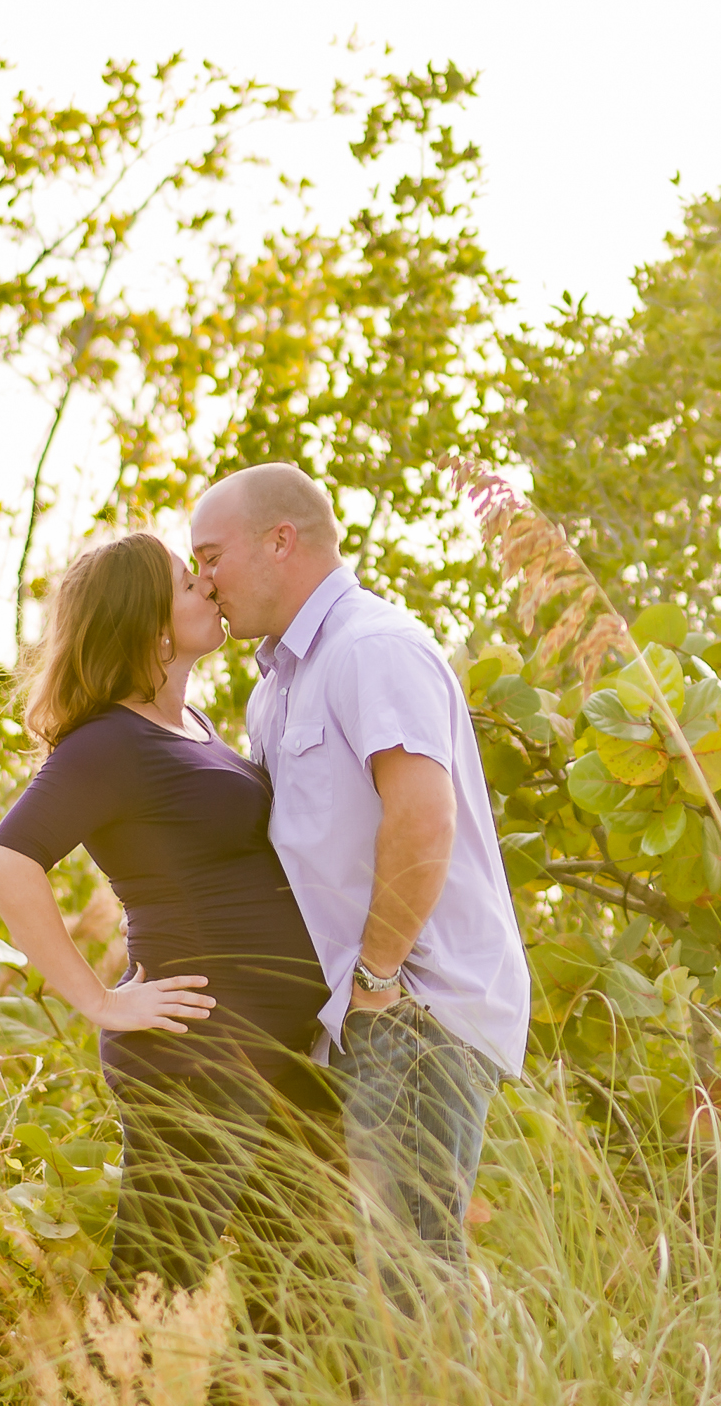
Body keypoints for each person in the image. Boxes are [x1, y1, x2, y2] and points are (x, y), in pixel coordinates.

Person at [186, 461, 528, 1302]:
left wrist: (375, 980)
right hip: (348, 1021)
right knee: (342, 1287)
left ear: (280, 541)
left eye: (210, 555)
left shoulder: (371, 648)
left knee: (409, 1276)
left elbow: (423, 813)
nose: (202, 581)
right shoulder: (276, 688)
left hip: (411, 1010)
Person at [0, 529, 345, 1303]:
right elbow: (6, 866)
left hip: (279, 1046)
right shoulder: (109, 742)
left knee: (306, 1282)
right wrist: (100, 1002)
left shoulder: (196, 727)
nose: (208, 587)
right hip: (199, 1053)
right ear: (148, 622)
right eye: (188, 582)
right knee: (154, 1287)